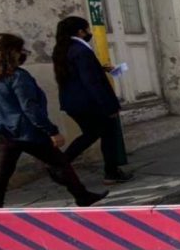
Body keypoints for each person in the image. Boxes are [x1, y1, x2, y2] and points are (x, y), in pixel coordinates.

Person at [0, 33, 108, 208]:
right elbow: (29, 108)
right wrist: (51, 131)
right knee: (60, 163)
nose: (22, 53)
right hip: (29, 133)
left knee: (0, 175)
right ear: (11, 52)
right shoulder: (18, 77)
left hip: (3, 134)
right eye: (19, 50)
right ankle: (82, 196)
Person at [52, 16, 132, 185]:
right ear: (81, 31)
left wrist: (99, 68)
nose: (89, 33)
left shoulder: (64, 49)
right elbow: (91, 82)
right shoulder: (81, 51)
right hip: (90, 103)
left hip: (73, 103)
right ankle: (111, 172)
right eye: (87, 30)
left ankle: (59, 164)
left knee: (91, 134)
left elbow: (76, 75)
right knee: (108, 134)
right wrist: (108, 106)